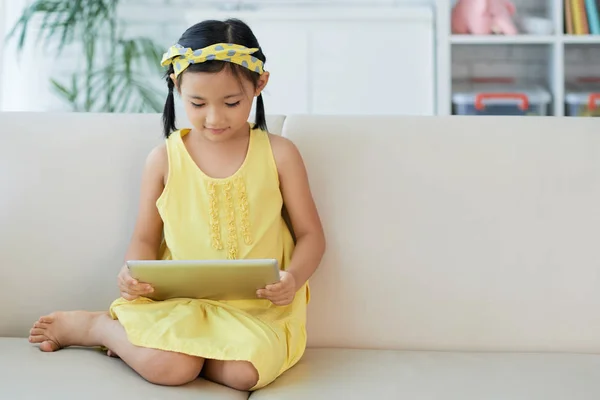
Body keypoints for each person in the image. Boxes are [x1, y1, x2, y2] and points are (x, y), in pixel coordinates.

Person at [27, 18, 326, 392]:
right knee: (171, 369)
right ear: (176, 87)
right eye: (197, 103)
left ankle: (177, 351)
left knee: (244, 375)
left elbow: (312, 235)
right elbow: (144, 239)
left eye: (232, 103)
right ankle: (99, 326)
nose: (214, 118)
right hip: (180, 304)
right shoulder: (164, 159)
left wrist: (293, 279)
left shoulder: (281, 154)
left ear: (259, 84)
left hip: (259, 312)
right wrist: (132, 275)